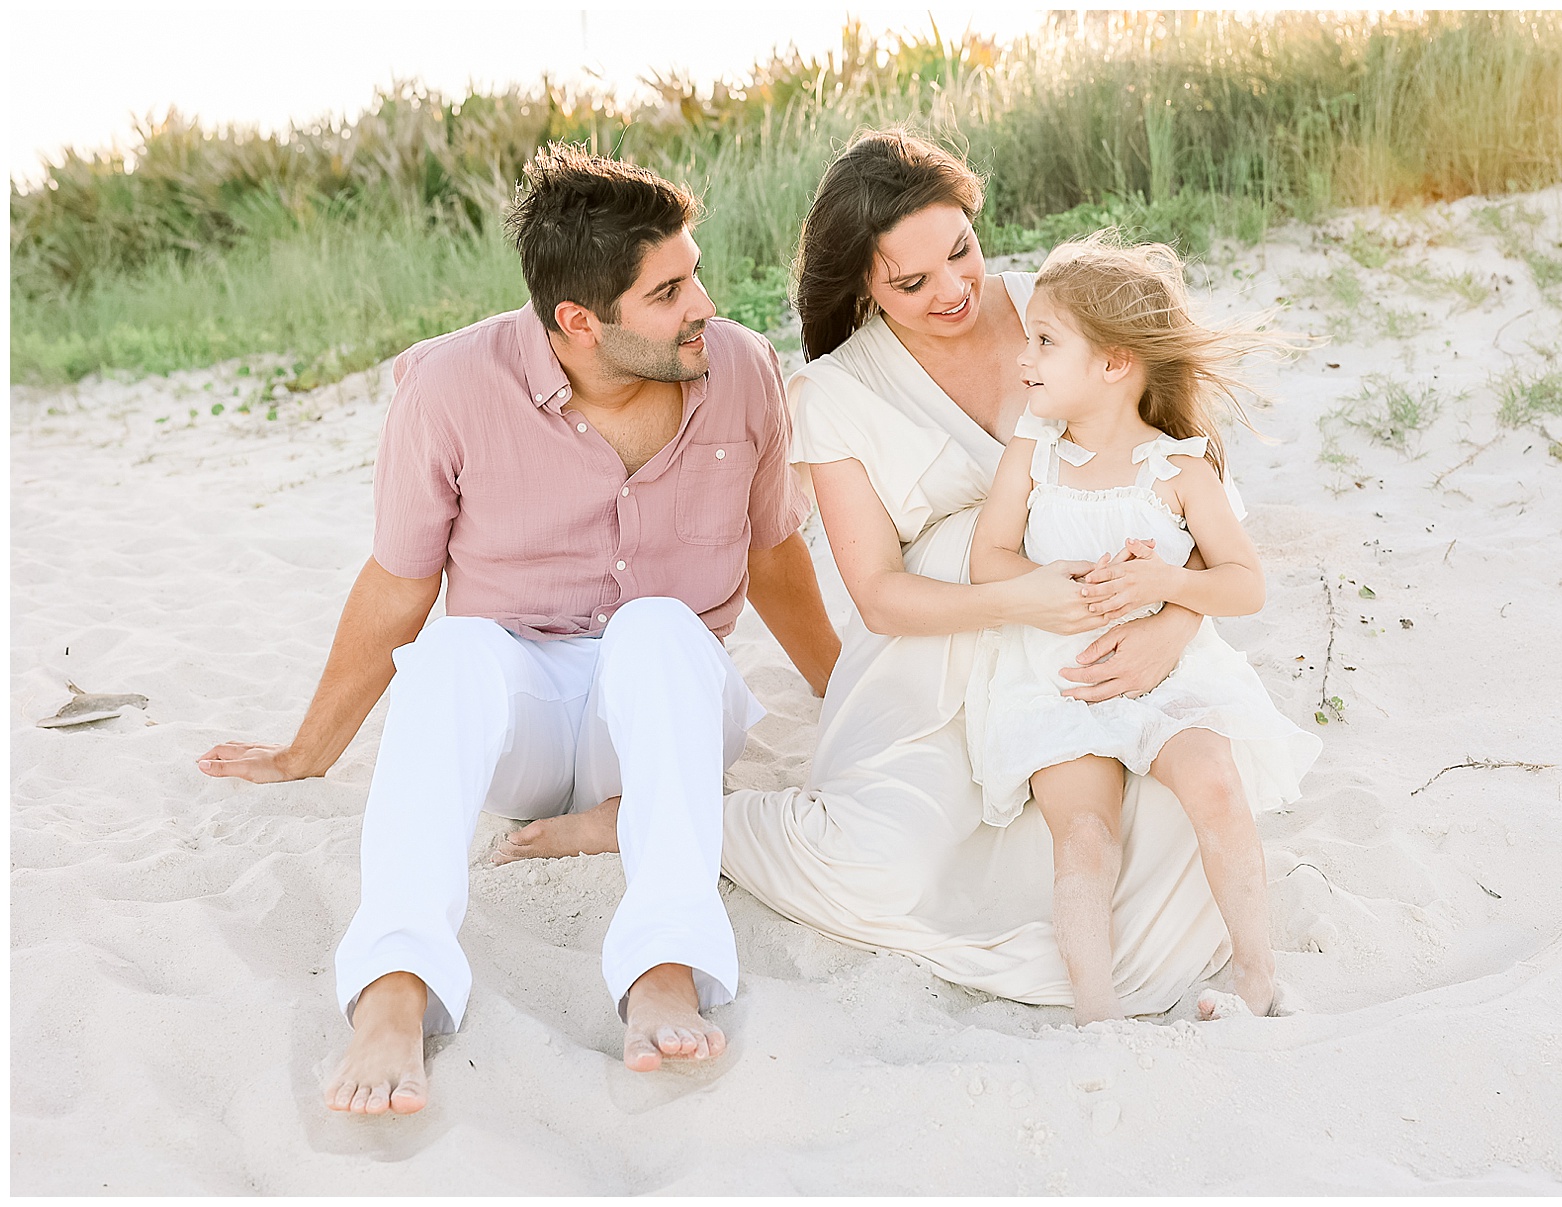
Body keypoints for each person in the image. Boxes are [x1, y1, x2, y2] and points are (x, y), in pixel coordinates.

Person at [195, 145, 839, 1115]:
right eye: (669, 291)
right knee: (452, 649)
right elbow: (399, 583)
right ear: (579, 321)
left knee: (661, 626)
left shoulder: (741, 369)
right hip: (523, 721)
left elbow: (775, 553)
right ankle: (395, 987)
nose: (703, 301)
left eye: (693, 270)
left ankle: (666, 959)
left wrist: (847, 693)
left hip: (669, 711)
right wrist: (307, 751)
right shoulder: (450, 389)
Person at [713, 130, 1273, 1015]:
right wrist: (1022, 598)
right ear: (862, 284)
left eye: (962, 250)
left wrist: (1169, 629)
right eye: (912, 282)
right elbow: (881, 598)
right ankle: (689, 821)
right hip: (935, 667)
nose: (955, 290)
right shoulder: (838, 394)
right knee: (873, 865)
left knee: (1176, 865)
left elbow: (1193, 501)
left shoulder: (1065, 313)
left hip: (1099, 658)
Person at [965, 235, 1322, 1023]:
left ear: (1115, 363)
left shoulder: (1181, 468)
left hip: (1173, 673)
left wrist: (1166, 583)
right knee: (1085, 833)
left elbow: (1245, 583)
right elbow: (986, 559)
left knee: (1215, 780)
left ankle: (1257, 976)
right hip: (1063, 676)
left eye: (1045, 342)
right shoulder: (1034, 454)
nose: (1024, 359)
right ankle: (1097, 1012)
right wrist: (1044, 586)